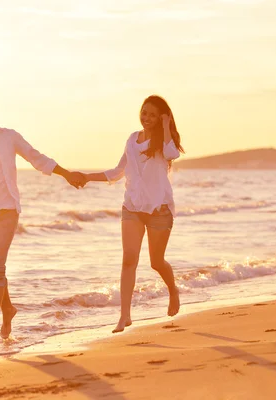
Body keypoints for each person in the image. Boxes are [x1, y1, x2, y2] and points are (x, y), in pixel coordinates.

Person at [0, 93, 85, 346]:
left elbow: (36, 157)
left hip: (6, 211)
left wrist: (65, 173)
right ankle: (8, 310)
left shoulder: (9, 137)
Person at [80, 95, 185, 333]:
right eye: (144, 112)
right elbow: (118, 171)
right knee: (129, 259)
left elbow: (172, 154)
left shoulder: (163, 141)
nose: (146, 118)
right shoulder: (131, 139)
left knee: (156, 262)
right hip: (132, 208)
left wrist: (167, 126)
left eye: (152, 115)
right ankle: (124, 315)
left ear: (161, 117)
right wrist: (87, 176)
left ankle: (173, 290)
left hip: (159, 210)